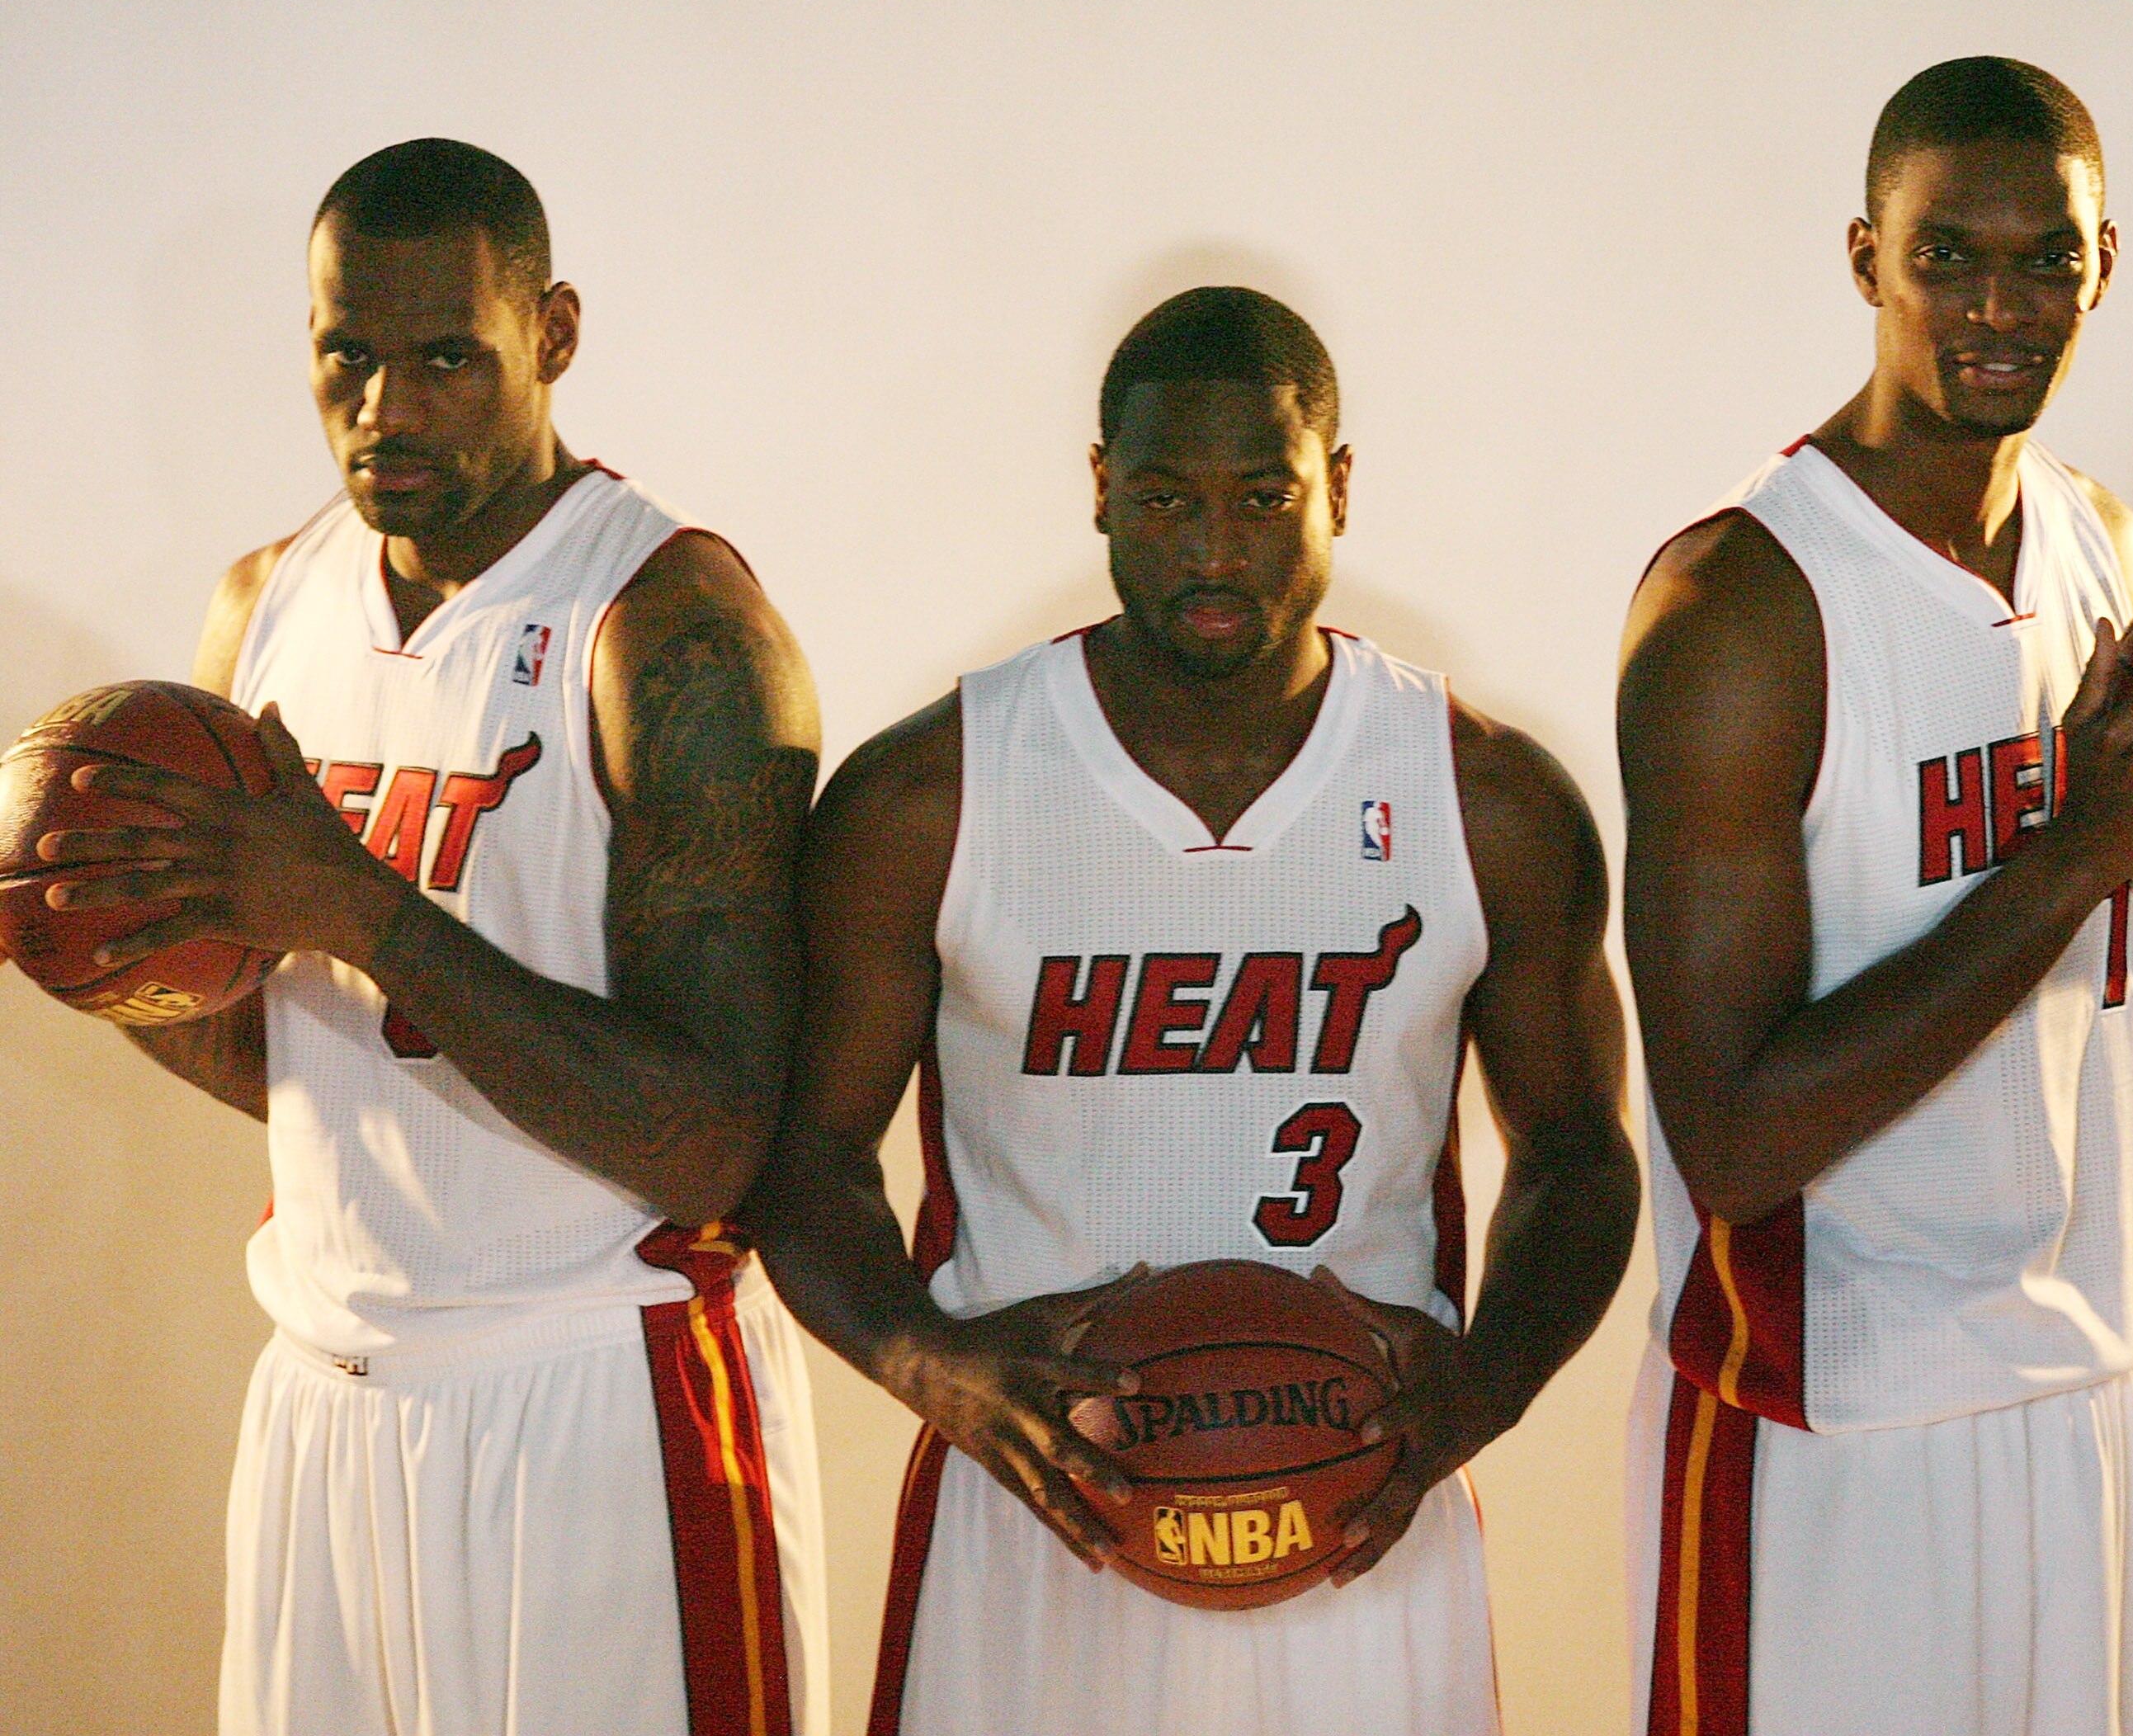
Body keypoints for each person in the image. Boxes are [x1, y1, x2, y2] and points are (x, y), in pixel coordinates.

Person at [748, 285, 1639, 1736]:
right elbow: (806, 1159)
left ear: (1340, 488)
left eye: (1265, 497)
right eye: (1165, 497)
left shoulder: (1485, 799)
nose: (1216, 549)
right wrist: (932, 1365)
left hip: (1362, 1511)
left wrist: (1476, 1395)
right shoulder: (931, 798)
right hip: (1044, 1508)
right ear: (1099, 487)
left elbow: (1582, 1155)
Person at [35, 139, 829, 1736]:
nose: (387, 411)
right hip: (328, 1383)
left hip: (598, 1385)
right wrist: (105, 949)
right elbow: (303, 1063)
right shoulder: (265, 608)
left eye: (446, 357)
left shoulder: (669, 629)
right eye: (349, 357)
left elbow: (718, 1140)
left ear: (555, 332)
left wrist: (362, 912)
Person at [1616, 59, 2133, 1736]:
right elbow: (1730, 1136)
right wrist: (2077, 847)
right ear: (1869, 260)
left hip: (2085, 1388)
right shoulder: (1740, 610)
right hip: (1831, 1419)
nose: (1999, 305)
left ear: (2104, 262)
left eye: (2044, 257)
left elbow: (2096, 987)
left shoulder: (2106, 551)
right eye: (1948, 258)